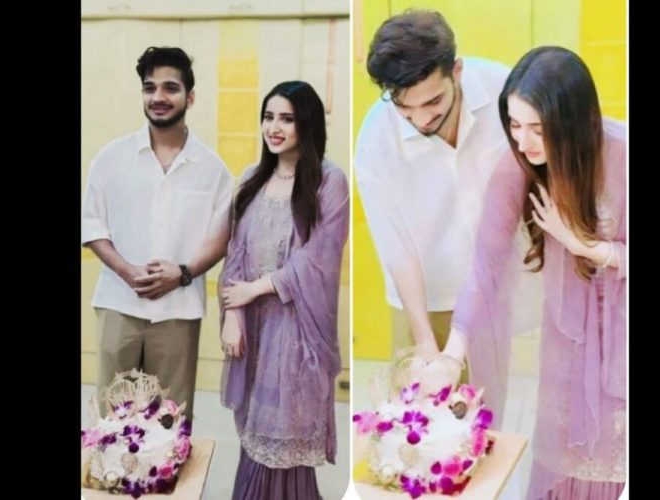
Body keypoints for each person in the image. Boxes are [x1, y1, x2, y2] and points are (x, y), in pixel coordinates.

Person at [445, 46, 627, 499]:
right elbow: (484, 266)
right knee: (560, 455)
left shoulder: (622, 154)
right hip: (567, 337)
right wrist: (453, 350)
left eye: (538, 129)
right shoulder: (520, 165)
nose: (524, 142)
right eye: (514, 125)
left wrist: (584, 245)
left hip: (623, 336)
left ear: (574, 121)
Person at [81, 46, 234, 422]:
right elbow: (91, 223)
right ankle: (110, 481)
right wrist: (126, 271)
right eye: (150, 88)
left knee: (170, 417)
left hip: (179, 309)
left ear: (190, 97)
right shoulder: (111, 157)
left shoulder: (213, 169)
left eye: (170, 88)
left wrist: (182, 273)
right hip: (119, 303)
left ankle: (165, 483)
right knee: (111, 417)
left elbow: (222, 236)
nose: (158, 97)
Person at [355, 9, 511, 368]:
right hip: (426, 292)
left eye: (433, 102)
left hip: (496, 285)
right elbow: (395, 246)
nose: (422, 119)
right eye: (405, 108)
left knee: (482, 408)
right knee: (417, 408)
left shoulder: (502, 90)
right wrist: (424, 338)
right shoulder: (376, 142)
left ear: (457, 71)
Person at [218, 81, 349, 499]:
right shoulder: (252, 178)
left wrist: (254, 290)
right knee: (253, 434)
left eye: (286, 119)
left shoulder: (329, 181)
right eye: (269, 116)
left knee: (282, 435)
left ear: (305, 124)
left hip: (295, 332)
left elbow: (319, 259)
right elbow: (234, 251)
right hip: (253, 326)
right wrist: (234, 316)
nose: (273, 127)